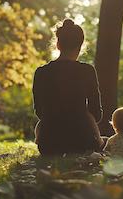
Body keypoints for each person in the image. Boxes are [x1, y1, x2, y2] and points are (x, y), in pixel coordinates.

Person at [33, 18, 104, 156]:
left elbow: (40, 112)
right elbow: (96, 113)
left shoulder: (41, 73)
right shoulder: (87, 71)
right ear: (81, 45)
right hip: (82, 141)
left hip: (49, 143)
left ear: (58, 44)